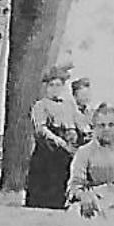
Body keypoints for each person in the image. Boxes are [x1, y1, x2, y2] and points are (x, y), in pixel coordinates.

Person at [23, 66, 80, 209]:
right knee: (45, 173)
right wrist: (56, 139)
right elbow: (41, 129)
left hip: (64, 147)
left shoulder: (68, 106)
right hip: (47, 148)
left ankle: (61, 201)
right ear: (46, 87)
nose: (55, 89)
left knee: (63, 173)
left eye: (58, 85)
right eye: (51, 85)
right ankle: (41, 202)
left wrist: (73, 133)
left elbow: (75, 123)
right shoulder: (40, 105)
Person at [70, 77, 95, 146]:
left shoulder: (92, 112)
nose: (86, 98)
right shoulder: (70, 112)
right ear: (75, 96)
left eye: (87, 95)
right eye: (83, 95)